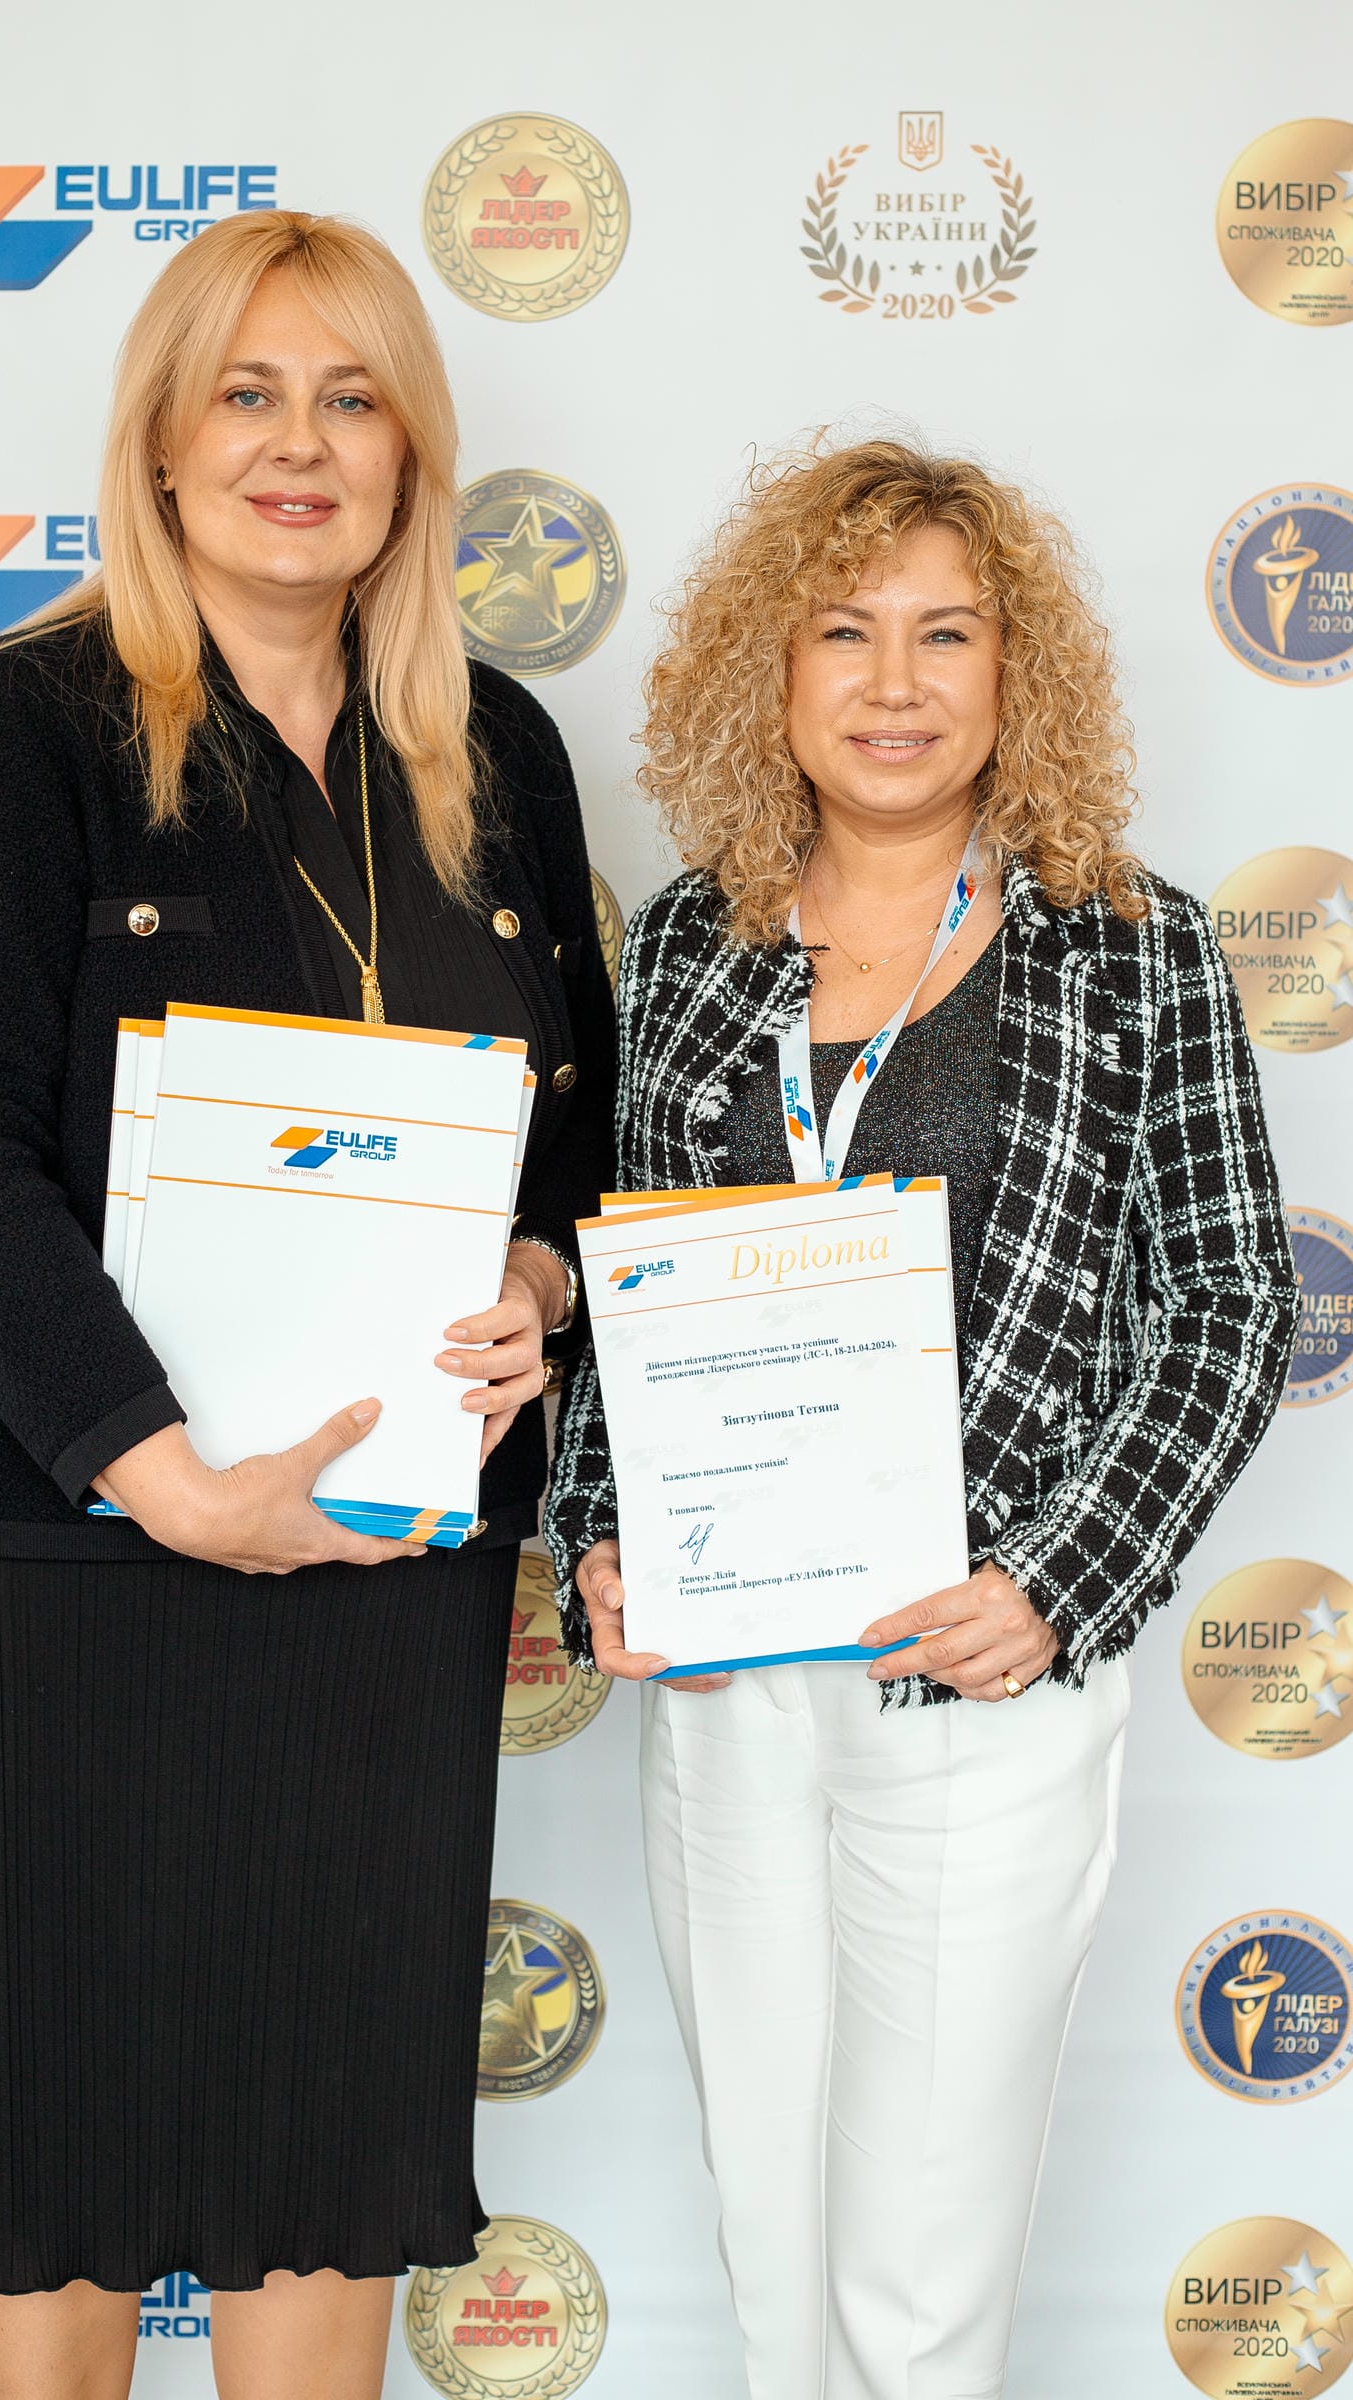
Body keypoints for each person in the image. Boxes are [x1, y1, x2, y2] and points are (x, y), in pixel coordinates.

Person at [0, 209, 614, 2400]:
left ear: (411, 454)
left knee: (337, 2140)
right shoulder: (27, 730)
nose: (301, 445)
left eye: (351, 397)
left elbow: (569, 1134)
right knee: (77, 2148)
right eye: (248, 395)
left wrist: (537, 1277)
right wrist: (168, 1480)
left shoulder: (498, 751)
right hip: (96, 1549)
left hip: (391, 1559)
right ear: (164, 448)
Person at [545, 439, 1293, 2400]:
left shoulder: (1130, 942)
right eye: (844, 632)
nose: (894, 682)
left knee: (917, 2283)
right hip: (727, 1687)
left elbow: (1230, 1298)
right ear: (769, 671)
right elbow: (615, 1286)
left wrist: (1059, 1580)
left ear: (1013, 671)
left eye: (946, 634)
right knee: (771, 2248)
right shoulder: (687, 946)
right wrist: (599, 1540)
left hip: (976, 1674)